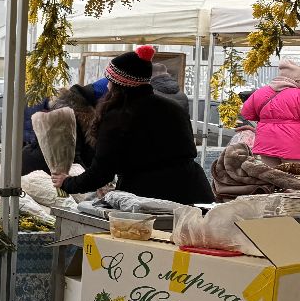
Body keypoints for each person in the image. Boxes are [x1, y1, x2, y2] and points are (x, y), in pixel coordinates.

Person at [54, 45, 214, 204]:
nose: (107, 86)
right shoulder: (175, 108)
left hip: (150, 200)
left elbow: (101, 173)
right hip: (196, 193)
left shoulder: (118, 117)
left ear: (118, 84)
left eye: (109, 81)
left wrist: (67, 183)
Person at [240, 59, 300, 165]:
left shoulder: (260, 92)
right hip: (292, 145)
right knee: (293, 179)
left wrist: (267, 119)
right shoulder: (297, 94)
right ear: (296, 80)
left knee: (271, 177)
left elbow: (246, 113)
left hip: (265, 144)